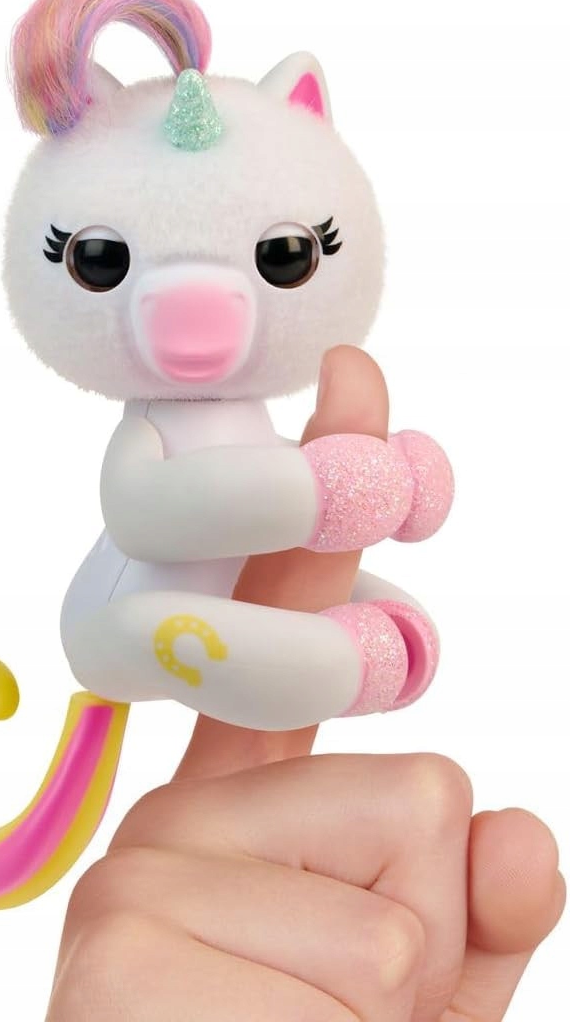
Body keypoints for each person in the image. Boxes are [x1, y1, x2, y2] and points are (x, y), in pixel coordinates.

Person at [46, 347, 565, 1020]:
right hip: (119, 627)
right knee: (244, 624)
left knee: (302, 591)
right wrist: (322, 490)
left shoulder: (246, 431)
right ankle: (337, 660)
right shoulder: (143, 431)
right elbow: (140, 511)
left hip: (222, 594)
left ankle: (368, 651)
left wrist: (370, 489)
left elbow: (263, 503)